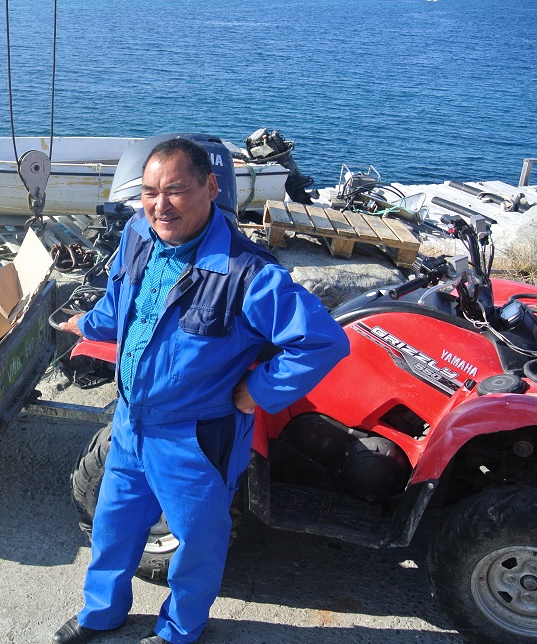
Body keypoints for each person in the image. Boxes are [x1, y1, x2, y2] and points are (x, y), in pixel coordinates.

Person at [52, 138, 350, 644]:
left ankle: (178, 631)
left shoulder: (249, 273)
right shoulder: (136, 234)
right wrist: (88, 323)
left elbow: (322, 342)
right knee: (112, 528)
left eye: (175, 191)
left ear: (211, 188)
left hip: (196, 438)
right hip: (130, 424)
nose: (159, 205)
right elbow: (124, 301)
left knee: (197, 544)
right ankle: (100, 612)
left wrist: (259, 390)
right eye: (148, 192)